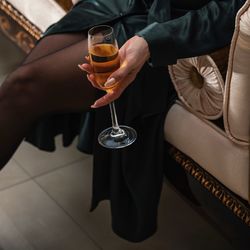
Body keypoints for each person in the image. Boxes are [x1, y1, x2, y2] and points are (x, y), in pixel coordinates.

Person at [0, 0, 246, 242]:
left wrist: (151, 40)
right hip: (116, 3)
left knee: (22, 86)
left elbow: (231, 8)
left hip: (171, 26)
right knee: (17, 86)